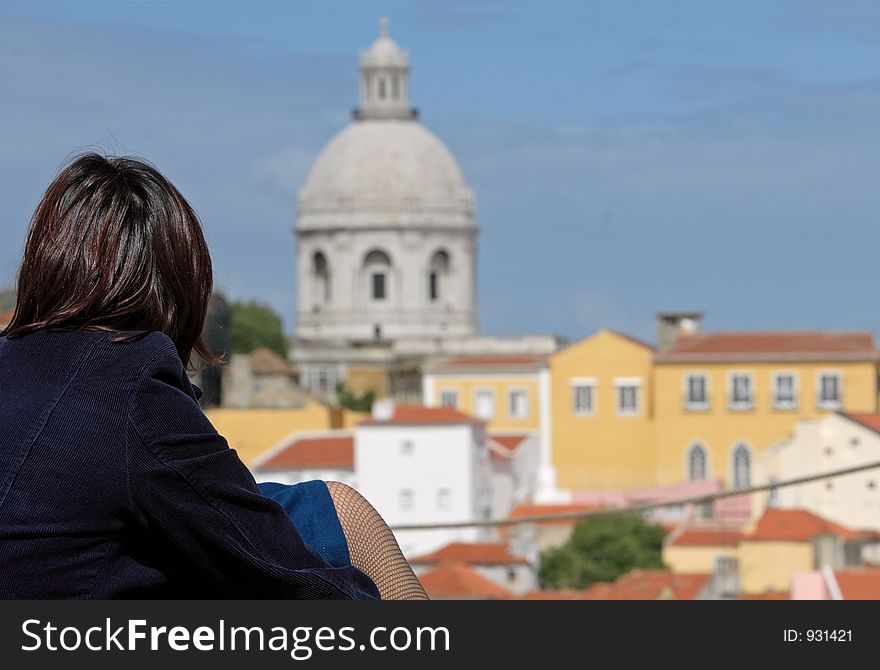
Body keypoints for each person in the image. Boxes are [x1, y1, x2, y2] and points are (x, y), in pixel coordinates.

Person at [0, 153, 427, 600]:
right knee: (348, 522)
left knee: (333, 511)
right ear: (178, 285)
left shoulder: (17, 360)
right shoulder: (128, 380)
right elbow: (275, 566)